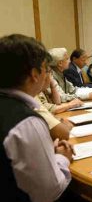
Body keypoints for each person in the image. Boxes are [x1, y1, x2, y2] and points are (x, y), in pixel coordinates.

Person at [0, 34, 73, 201]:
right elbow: (50, 191)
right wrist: (62, 157)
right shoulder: (27, 122)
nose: (49, 76)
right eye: (47, 70)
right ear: (34, 74)